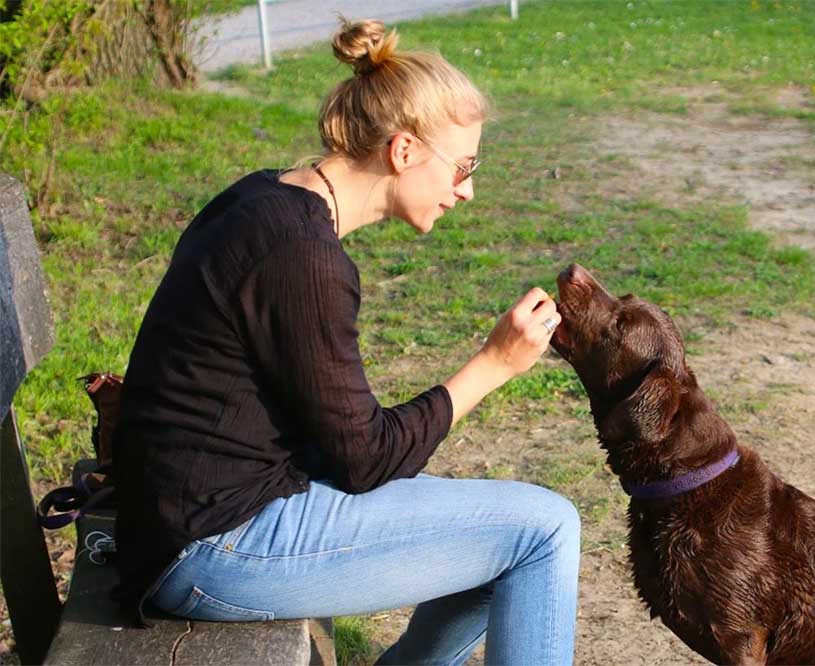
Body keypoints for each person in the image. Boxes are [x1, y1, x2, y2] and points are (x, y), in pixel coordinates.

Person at [109, 17, 580, 666]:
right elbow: (362, 462)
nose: (467, 189)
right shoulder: (304, 258)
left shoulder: (266, 199)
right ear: (405, 151)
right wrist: (494, 364)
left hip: (193, 516)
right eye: (463, 166)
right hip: (212, 545)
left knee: (509, 525)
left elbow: (339, 443)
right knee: (546, 530)